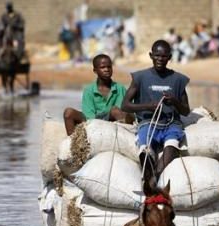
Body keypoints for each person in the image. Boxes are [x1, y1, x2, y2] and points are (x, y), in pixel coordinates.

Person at [121, 40, 190, 190]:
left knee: (172, 144)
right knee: (145, 148)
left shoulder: (178, 79)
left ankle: (156, 175)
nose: (160, 59)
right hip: (148, 123)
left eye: (164, 56)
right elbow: (125, 105)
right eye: (157, 56)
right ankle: (147, 172)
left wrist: (175, 102)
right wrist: (147, 106)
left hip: (171, 124)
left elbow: (186, 110)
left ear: (170, 57)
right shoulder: (140, 78)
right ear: (151, 56)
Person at [63, 54, 130, 135]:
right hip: (93, 120)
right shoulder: (89, 90)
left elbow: (120, 111)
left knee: (115, 110)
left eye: (109, 67)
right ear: (95, 70)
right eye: (102, 67)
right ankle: (72, 143)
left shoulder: (120, 88)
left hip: (112, 119)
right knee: (68, 112)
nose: (106, 70)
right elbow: (89, 115)